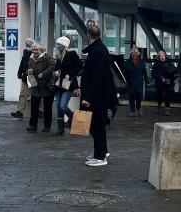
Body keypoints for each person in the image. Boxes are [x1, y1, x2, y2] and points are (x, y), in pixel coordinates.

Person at [79, 25, 116, 167]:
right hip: (100, 96)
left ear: (88, 35)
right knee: (98, 125)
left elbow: (97, 78)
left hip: (96, 98)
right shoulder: (100, 49)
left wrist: (88, 97)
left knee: (96, 126)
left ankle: (100, 157)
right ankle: (101, 152)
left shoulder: (97, 51)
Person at [53, 36, 82, 136]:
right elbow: (56, 68)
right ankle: (60, 129)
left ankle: (73, 116)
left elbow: (79, 66)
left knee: (63, 106)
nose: (57, 46)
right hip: (58, 84)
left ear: (64, 45)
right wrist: (56, 72)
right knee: (58, 107)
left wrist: (71, 74)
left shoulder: (72, 54)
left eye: (58, 44)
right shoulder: (58, 55)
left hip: (68, 84)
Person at [26, 43, 55, 133]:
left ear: (41, 50)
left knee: (47, 107)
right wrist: (29, 71)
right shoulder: (31, 58)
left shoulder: (47, 57)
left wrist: (43, 73)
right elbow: (29, 68)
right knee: (34, 107)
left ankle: (47, 126)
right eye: (33, 50)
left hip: (47, 85)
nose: (34, 51)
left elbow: (52, 66)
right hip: (36, 85)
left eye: (36, 50)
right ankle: (32, 125)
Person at [12, 38, 34, 118]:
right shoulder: (25, 52)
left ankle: (40, 110)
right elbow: (22, 63)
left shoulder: (35, 53)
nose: (27, 45)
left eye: (29, 44)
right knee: (23, 94)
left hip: (33, 77)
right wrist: (19, 72)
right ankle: (20, 111)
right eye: (26, 44)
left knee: (37, 94)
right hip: (26, 77)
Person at [150, 50, 177, 116]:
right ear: (159, 57)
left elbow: (173, 72)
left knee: (167, 95)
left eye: (163, 56)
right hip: (159, 82)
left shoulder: (169, 63)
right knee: (160, 95)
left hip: (167, 82)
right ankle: (159, 106)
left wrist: (174, 78)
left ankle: (167, 109)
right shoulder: (156, 65)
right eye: (161, 56)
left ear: (165, 56)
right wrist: (161, 78)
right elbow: (153, 74)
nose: (162, 57)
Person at [123, 47, 148, 117]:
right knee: (131, 97)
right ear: (131, 55)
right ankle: (132, 110)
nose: (134, 56)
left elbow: (144, 72)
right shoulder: (127, 63)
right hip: (130, 82)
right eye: (133, 55)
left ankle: (139, 108)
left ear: (138, 55)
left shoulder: (141, 62)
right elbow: (124, 73)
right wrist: (124, 81)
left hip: (139, 82)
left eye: (135, 55)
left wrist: (146, 80)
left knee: (139, 96)